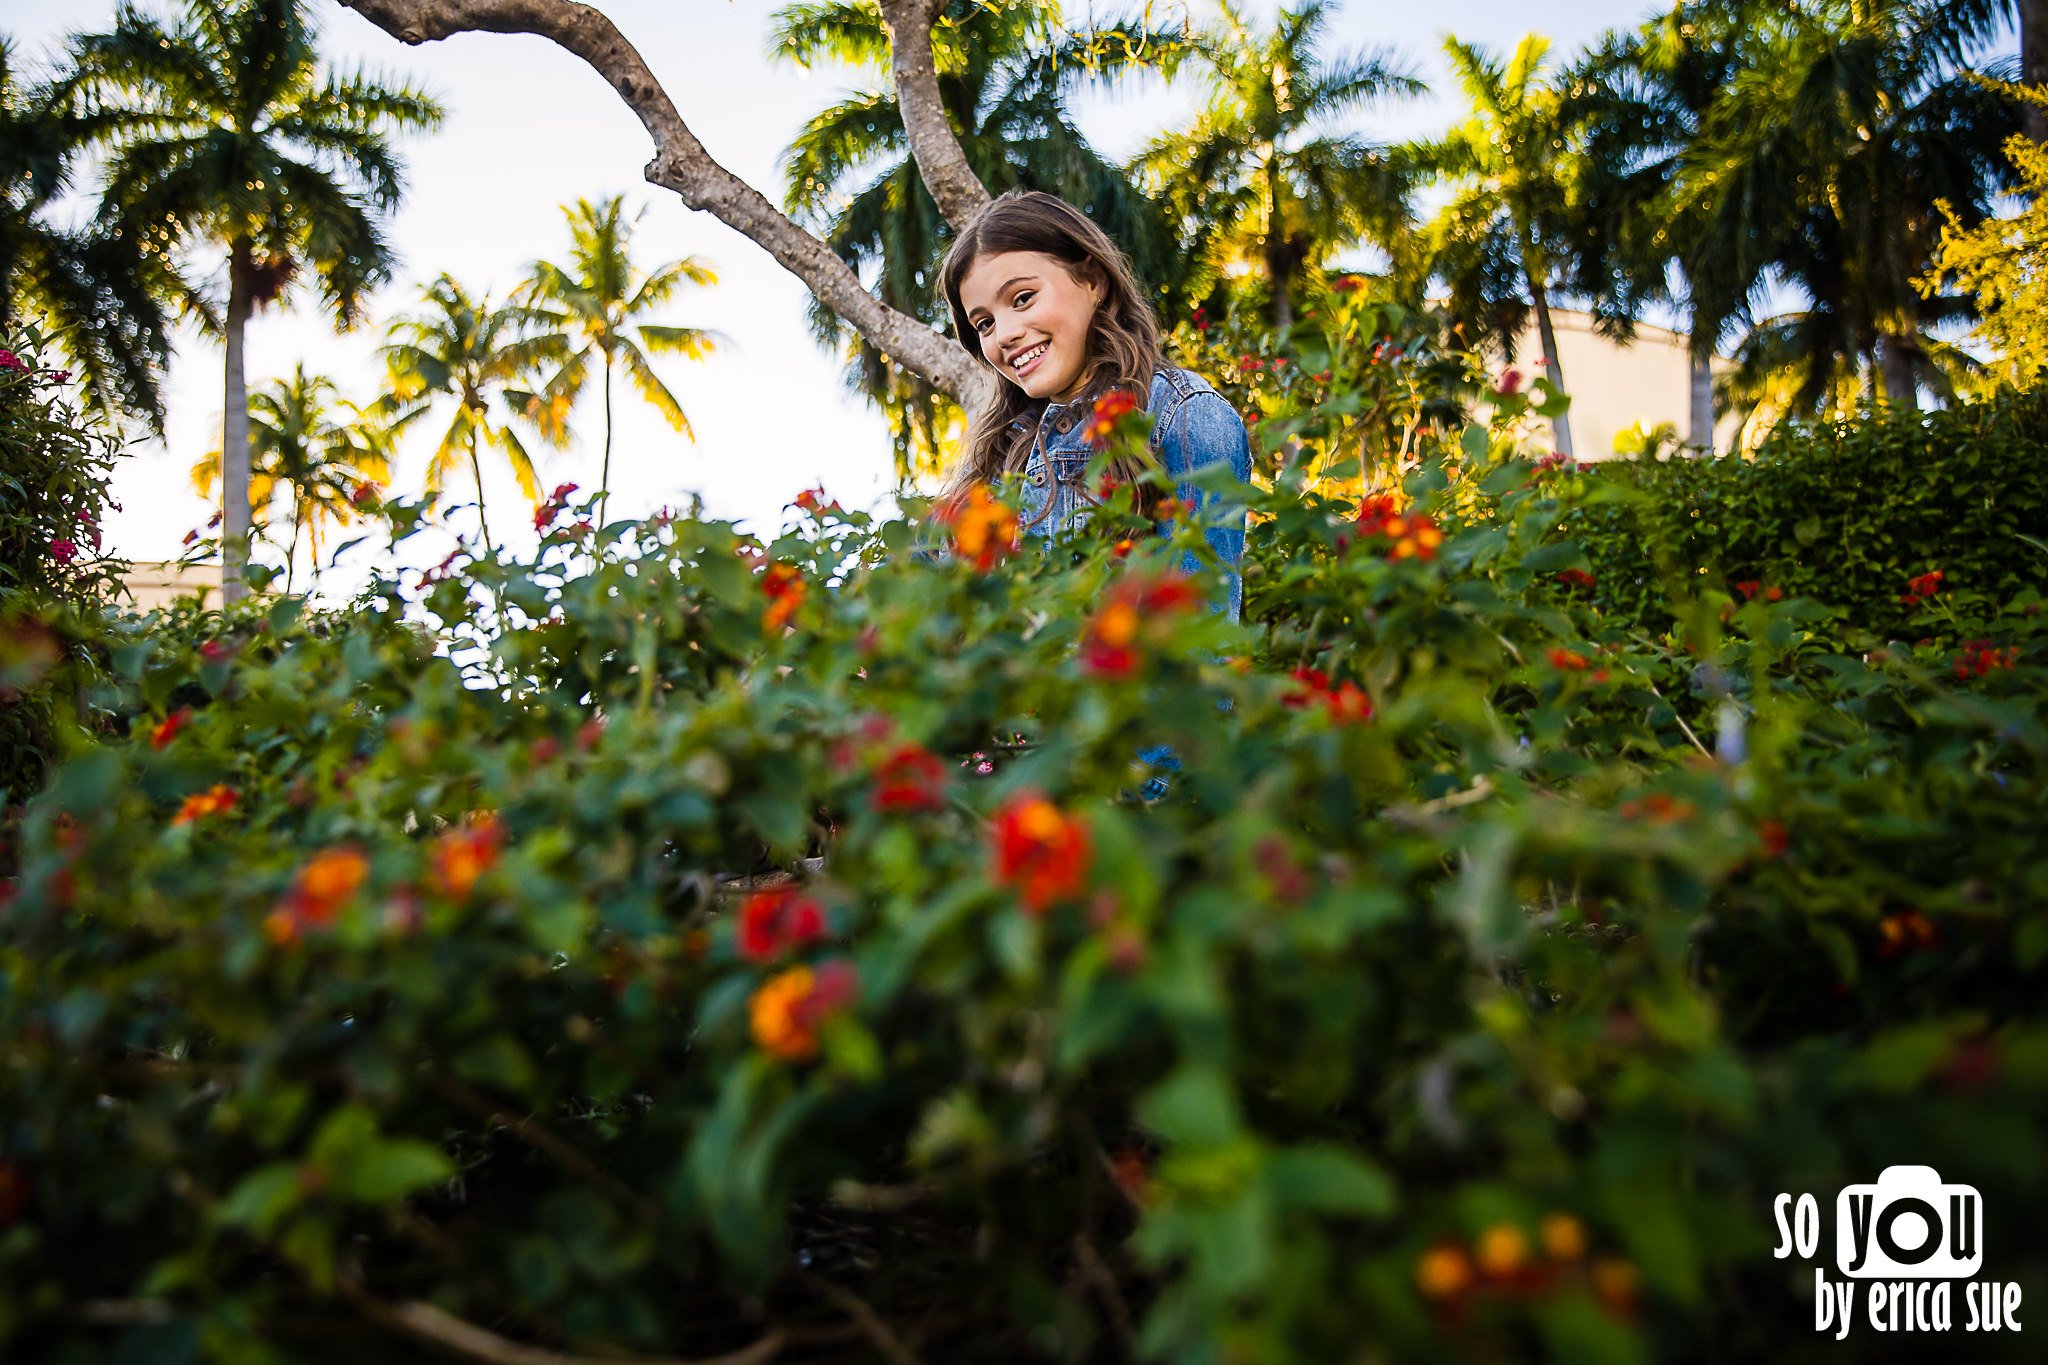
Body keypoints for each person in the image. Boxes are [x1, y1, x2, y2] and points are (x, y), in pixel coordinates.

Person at [937, 190, 1252, 619]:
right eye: (985, 323)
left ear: (1093, 281)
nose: (1004, 334)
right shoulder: (994, 459)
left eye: (1023, 297)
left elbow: (1198, 646)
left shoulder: (1184, 415)